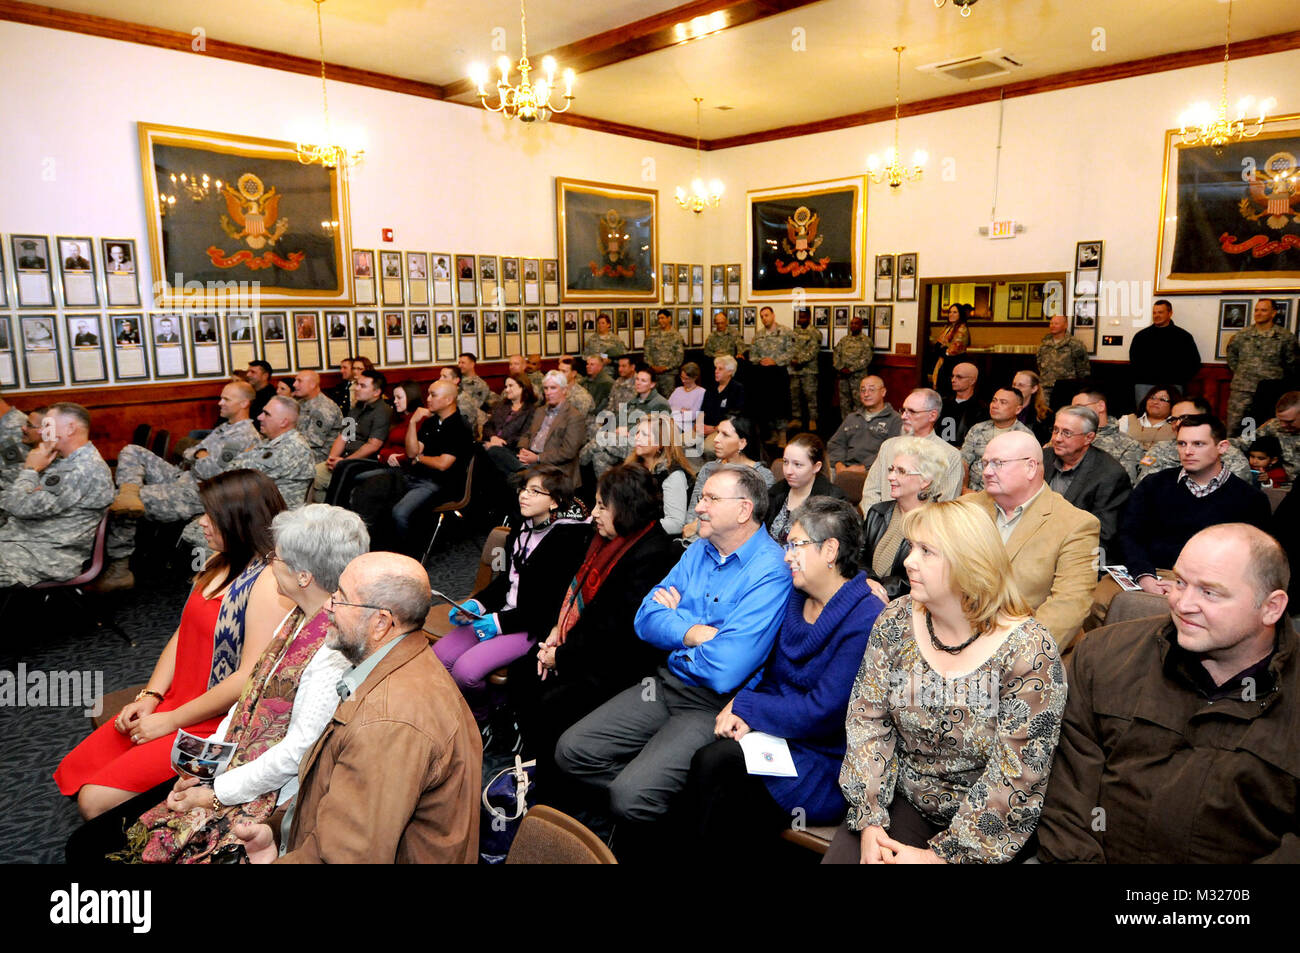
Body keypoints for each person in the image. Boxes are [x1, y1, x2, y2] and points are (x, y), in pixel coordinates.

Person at [66, 504, 370, 864]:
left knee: (91, 848)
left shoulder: (331, 651)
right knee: (90, 842)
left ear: (303, 577)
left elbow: (295, 755)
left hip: (269, 795)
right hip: (235, 767)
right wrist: (201, 768)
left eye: (278, 556)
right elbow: (249, 701)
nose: (270, 561)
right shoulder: (299, 616)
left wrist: (214, 793)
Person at [554, 466, 791, 845]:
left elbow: (725, 670)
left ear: (744, 510)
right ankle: (665, 799)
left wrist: (675, 624)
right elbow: (644, 620)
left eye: (711, 499)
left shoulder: (771, 570)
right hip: (663, 685)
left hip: (710, 706)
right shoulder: (700, 548)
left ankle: (646, 809)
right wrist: (694, 632)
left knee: (630, 796)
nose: (699, 507)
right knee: (572, 752)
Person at [823, 499, 1066, 864]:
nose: (908, 560)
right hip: (901, 803)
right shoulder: (896, 619)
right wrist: (870, 818)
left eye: (926, 551)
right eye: (911, 547)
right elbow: (868, 718)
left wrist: (936, 859)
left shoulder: (1029, 650)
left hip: (987, 828)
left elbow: (1017, 775)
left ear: (970, 563)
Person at [1037, 524, 1299, 863]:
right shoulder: (1104, 657)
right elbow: (1067, 801)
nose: (1182, 604)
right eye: (1180, 582)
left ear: (1271, 607)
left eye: (1210, 593)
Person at [54, 470, 289, 820]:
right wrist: (151, 696)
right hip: (178, 703)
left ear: (239, 520)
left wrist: (170, 722)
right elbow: (183, 634)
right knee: (79, 766)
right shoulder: (217, 562)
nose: (202, 522)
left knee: (94, 800)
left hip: (215, 723)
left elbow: (247, 679)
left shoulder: (268, 582)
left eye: (211, 516)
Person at [229, 551, 481, 863]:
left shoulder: (387, 724)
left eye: (341, 599)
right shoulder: (399, 665)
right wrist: (278, 832)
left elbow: (348, 858)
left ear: (380, 623)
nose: (327, 606)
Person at [680, 497, 883, 861]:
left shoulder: (865, 616)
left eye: (796, 545)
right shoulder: (796, 594)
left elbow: (823, 712)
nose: (786, 555)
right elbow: (765, 668)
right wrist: (746, 709)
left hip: (823, 759)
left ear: (830, 550)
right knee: (708, 767)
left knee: (720, 777)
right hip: (776, 735)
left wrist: (747, 706)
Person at [507, 464, 678, 801]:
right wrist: (557, 630)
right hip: (583, 642)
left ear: (625, 507)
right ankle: (536, 771)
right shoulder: (602, 538)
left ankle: (555, 797)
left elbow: (616, 632)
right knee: (524, 673)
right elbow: (573, 593)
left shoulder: (652, 554)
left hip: (621, 664)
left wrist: (560, 656)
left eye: (602, 506)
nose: (594, 513)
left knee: (549, 702)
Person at [435, 465, 591, 724]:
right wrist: (477, 603)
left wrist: (497, 623)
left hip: (531, 627)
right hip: (503, 615)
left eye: (535, 491)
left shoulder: (568, 540)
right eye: (523, 489)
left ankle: (480, 716)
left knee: (465, 672)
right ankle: (457, 710)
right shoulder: (522, 528)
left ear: (554, 501)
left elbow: (548, 608)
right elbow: (505, 582)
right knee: (440, 657)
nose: (523, 495)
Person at [967, 430, 1100, 651]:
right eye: (985, 463)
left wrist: (1015, 656)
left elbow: (1068, 606)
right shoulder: (969, 506)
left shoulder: (1076, 525)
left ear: (1030, 467)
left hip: (1023, 647)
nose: (987, 472)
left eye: (998, 463)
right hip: (959, 635)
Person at [1117, 413, 1272, 596]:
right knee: (1102, 601)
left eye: (1198, 444)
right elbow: (1129, 534)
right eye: (1182, 444)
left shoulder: (1250, 499)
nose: (1187, 451)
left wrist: (1190, 586)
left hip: (1213, 584)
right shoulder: (1153, 484)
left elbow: (1253, 559)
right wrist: (1145, 576)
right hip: (1153, 573)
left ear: (1222, 447)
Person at [0, 403, 113, 588]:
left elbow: (18, 507)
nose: (42, 431)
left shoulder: (81, 469)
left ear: (70, 428)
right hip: (25, 542)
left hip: (44, 556)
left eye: (47, 425)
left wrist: (30, 469)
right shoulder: (65, 461)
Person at [860, 436, 949, 602]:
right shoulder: (877, 512)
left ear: (925, 481)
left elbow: (921, 577)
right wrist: (867, 582)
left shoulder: (939, 523)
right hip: (867, 596)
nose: (890, 477)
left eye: (900, 471)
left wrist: (878, 588)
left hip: (910, 607)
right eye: (891, 469)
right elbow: (857, 557)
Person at [389, 379, 473, 551]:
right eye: (428, 394)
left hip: (440, 484)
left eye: (433, 395)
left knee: (400, 512)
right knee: (377, 495)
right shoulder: (431, 422)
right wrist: (412, 423)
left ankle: (409, 558)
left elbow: (443, 464)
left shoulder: (459, 427)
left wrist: (420, 459)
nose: (428, 399)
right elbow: (412, 452)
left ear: (449, 400)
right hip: (416, 475)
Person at [1042, 405, 1131, 556]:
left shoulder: (1110, 474)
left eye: (1066, 433)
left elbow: (1102, 534)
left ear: (1088, 437)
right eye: (1055, 430)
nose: (1057, 438)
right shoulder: (1044, 457)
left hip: (1076, 554)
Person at [859, 388, 963, 510]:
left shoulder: (950, 455)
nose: (903, 416)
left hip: (924, 525)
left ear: (932, 415)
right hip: (881, 523)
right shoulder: (888, 446)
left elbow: (945, 506)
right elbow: (870, 491)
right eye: (903, 410)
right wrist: (876, 521)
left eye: (912, 412)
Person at [683, 416, 774, 540]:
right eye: (717, 432)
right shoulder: (709, 468)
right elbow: (692, 515)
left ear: (742, 443)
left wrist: (698, 525)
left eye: (725, 435)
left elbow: (745, 523)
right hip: (697, 540)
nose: (716, 439)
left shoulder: (762, 476)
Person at [491, 370, 586, 484]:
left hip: (552, 467)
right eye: (546, 388)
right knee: (494, 451)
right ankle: (521, 471)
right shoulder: (540, 411)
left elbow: (568, 452)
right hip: (530, 458)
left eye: (553, 388)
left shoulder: (574, 416)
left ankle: (521, 474)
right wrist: (523, 451)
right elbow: (527, 434)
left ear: (564, 390)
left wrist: (537, 458)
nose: (548, 392)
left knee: (505, 478)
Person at [316, 368, 394, 500]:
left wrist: (344, 463)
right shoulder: (356, 408)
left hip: (363, 463)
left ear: (376, 392)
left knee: (319, 476)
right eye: (357, 384)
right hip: (344, 459)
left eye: (362, 386)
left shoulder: (383, 411)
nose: (357, 388)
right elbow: (344, 436)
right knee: (316, 472)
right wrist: (332, 458)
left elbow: (373, 445)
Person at [1225, 298, 1299, 436]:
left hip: (1271, 392)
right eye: (1256, 310)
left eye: (1263, 310)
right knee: (1236, 427)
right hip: (1243, 390)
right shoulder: (1242, 335)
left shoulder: (1285, 337)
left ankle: (1259, 456)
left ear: (1273, 313)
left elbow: (1292, 364)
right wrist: (1243, 374)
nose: (1258, 313)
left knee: (1266, 428)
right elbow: (1232, 358)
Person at [1137, 396, 1252, 483]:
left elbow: (1240, 498)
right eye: (1173, 419)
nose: (1177, 424)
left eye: (1184, 418)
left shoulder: (1230, 455)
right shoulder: (1160, 449)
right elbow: (1143, 489)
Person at [766, 432, 846, 544]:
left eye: (797, 464)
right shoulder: (775, 493)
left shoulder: (833, 500)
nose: (788, 471)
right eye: (785, 462)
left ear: (816, 467)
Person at [625, 413, 695, 535]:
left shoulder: (673, 475)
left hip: (652, 541)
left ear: (661, 443)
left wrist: (637, 528)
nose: (637, 438)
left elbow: (675, 524)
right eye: (637, 433)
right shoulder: (633, 465)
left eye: (644, 435)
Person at [960, 387, 1033, 492]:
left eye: (1003, 402)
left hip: (1005, 497)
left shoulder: (1024, 436)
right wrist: (964, 489)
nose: (995, 405)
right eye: (994, 400)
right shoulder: (978, 429)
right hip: (972, 493)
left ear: (1018, 409)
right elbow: (964, 462)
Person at [828, 376, 903, 477]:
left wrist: (863, 468)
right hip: (845, 468)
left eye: (871, 390)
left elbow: (891, 451)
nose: (866, 394)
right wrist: (839, 465)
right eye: (863, 390)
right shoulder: (852, 417)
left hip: (876, 469)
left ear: (883, 392)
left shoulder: (895, 419)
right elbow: (835, 444)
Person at [1128, 299, 1201, 402]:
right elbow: (1134, 360)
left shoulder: (1183, 336)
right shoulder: (1141, 336)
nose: (1156, 315)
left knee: (1173, 416)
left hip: (1173, 386)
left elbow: (1194, 362)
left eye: (1160, 312)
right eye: (1154, 312)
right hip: (1145, 385)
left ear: (1170, 313)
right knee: (1143, 415)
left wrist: (1179, 379)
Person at [1070, 387, 1143, 483]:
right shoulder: (1065, 435)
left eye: (1079, 407)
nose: (1074, 413)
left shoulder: (1128, 445)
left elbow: (1122, 483)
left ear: (1100, 406)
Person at [743, 306, 793, 443]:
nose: (764, 318)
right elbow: (752, 355)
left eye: (767, 315)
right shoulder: (758, 335)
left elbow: (791, 353)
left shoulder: (785, 332)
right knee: (767, 405)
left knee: (781, 405)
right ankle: (773, 434)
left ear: (773, 315)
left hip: (779, 373)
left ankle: (783, 435)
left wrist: (775, 361)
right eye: (762, 316)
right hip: (763, 375)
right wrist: (761, 360)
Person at [1235, 390, 1300, 483]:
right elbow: (1241, 442)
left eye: (1289, 422)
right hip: (1280, 485)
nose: (1282, 425)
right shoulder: (1274, 425)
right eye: (1280, 420)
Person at [1036, 312, 1090, 407]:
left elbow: (1083, 369)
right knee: (1044, 415)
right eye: (1051, 323)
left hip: (1066, 388)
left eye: (1056, 323)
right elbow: (1039, 363)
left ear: (1065, 325)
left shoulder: (1075, 344)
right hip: (1046, 387)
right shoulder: (1044, 343)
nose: (1052, 326)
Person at [291, 370, 343, 463]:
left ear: (313, 385)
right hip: (301, 449)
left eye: (299, 381)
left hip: (319, 456)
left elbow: (313, 441)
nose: (294, 384)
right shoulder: (301, 402)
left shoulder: (324, 407)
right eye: (295, 381)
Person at [699, 355, 746, 456]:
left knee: (708, 448)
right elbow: (702, 410)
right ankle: (697, 470)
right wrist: (698, 424)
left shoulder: (737, 389)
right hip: (704, 428)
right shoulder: (711, 387)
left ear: (730, 372)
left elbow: (735, 416)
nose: (716, 371)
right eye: (716, 368)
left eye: (720, 369)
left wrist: (715, 428)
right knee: (680, 442)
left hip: (721, 430)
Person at [483, 372, 538, 453]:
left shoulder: (532, 410)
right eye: (506, 386)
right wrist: (493, 437)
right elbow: (488, 426)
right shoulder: (501, 405)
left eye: (511, 386)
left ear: (522, 387)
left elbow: (524, 436)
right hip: (491, 444)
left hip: (510, 450)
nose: (507, 390)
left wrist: (500, 444)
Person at [832, 313, 873, 419]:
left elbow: (866, 359)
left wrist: (851, 369)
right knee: (844, 402)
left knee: (859, 401)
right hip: (843, 377)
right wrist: (841, 368)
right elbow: (836, 354)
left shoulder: (866, 341)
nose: (853, 326)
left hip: (858, 378)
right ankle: (845, 423)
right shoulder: (844, 340)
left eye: (856, 324)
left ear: (861, 326)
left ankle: (859, 424)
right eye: (852, 323)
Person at [787, 307, 822, 433]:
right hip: (794, 370)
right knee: (794, 395)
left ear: (808, 317)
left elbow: (813, 351)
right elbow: (789, 347)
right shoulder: (794, 332)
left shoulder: (815, 333)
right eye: (799, 317)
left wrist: (799, 360)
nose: (800, 319)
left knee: (810, 396)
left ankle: (813, 420)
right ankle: (797, 418)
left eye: (803, 317)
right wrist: (792, 360)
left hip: (809, 370)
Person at [940, 362, 987, 449]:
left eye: (959, 377)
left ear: (972, 381)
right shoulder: (942, 403)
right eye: (952, 376)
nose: (953, 380)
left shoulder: (980, 408)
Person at [1118, 383, 1180, 447]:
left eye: (1162, 399)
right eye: (1152, 398)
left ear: (1173, 404)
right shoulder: (1127, 420)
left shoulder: (1177, 424)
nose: (1155, 402)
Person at [930, 303, 970, 398]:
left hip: (953, 365)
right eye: (950, 312)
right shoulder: (948, 327)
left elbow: (952, 351)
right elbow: (937, 346)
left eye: (955, 312)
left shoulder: (962, 329)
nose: (951, 314)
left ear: (960, 314)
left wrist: (943, 349)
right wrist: (942, 349)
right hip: (943, 364)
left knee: (949, 393)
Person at [645, 308, 685, 397]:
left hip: (669, 375)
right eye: (659, 318)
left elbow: (679, 357)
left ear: (669, 318)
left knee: (668, 401)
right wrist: (652, 366)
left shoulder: (676, 336)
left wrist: (666, 368)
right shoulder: (652, 334)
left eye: (662, 318)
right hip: (654, 374)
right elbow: (647, 352)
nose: (660, 321)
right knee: (653, 400)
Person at [1012, 369, 1054, 445]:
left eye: (1021, 385)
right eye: (1014, 384)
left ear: (1034, 389)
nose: (1015, 388)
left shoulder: (1044, 415)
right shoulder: (1005, 409)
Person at [668, 361, 705, 437]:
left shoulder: (701, 392)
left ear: (695, 377)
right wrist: (681, 410)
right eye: (682, 377)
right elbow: (667, 407)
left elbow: (693, 416)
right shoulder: (678, 390)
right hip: (671, 422)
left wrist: (675, 411)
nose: (683, 381)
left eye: (686, 378)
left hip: (686, 427)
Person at [245, 360, 275, 426]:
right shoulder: (248, 393)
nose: (248, 375)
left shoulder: (272, 397)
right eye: (248, 372)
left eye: (253, 372)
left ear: (265, 376)